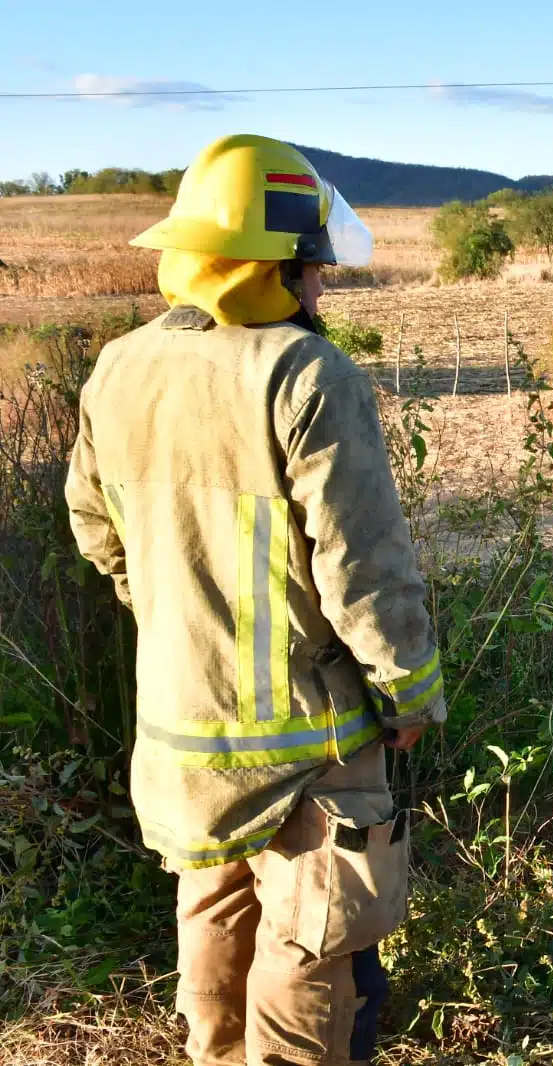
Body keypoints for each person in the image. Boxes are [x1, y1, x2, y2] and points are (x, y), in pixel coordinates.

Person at [65, 134, 447, 1066]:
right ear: (269, 268)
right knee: (319, 956)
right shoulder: (305, 373)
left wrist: (180, 622)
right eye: (311, 269)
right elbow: (366, 569)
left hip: (180, 741)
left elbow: (94, 528)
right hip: (308, 745)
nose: (320, 290)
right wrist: (409, 696)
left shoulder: (120, 366)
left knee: (213, 919)